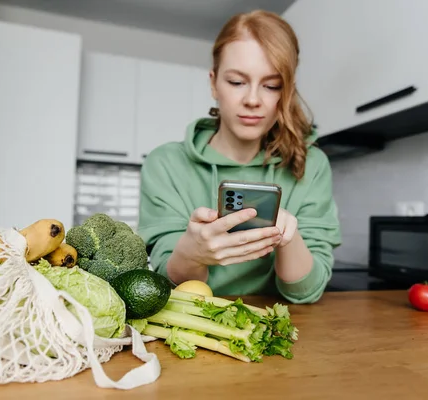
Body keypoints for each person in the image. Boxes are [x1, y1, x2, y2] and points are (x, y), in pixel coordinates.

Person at [137, 9, 341, 304]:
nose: (253, 100)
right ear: (213, 83)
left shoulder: (312, 165)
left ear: (287, 92)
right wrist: (191, 253)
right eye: (236, 82)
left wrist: (288, 238)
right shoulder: (165, 164)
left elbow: (305, 292)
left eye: (271, 86)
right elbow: (171, 285)